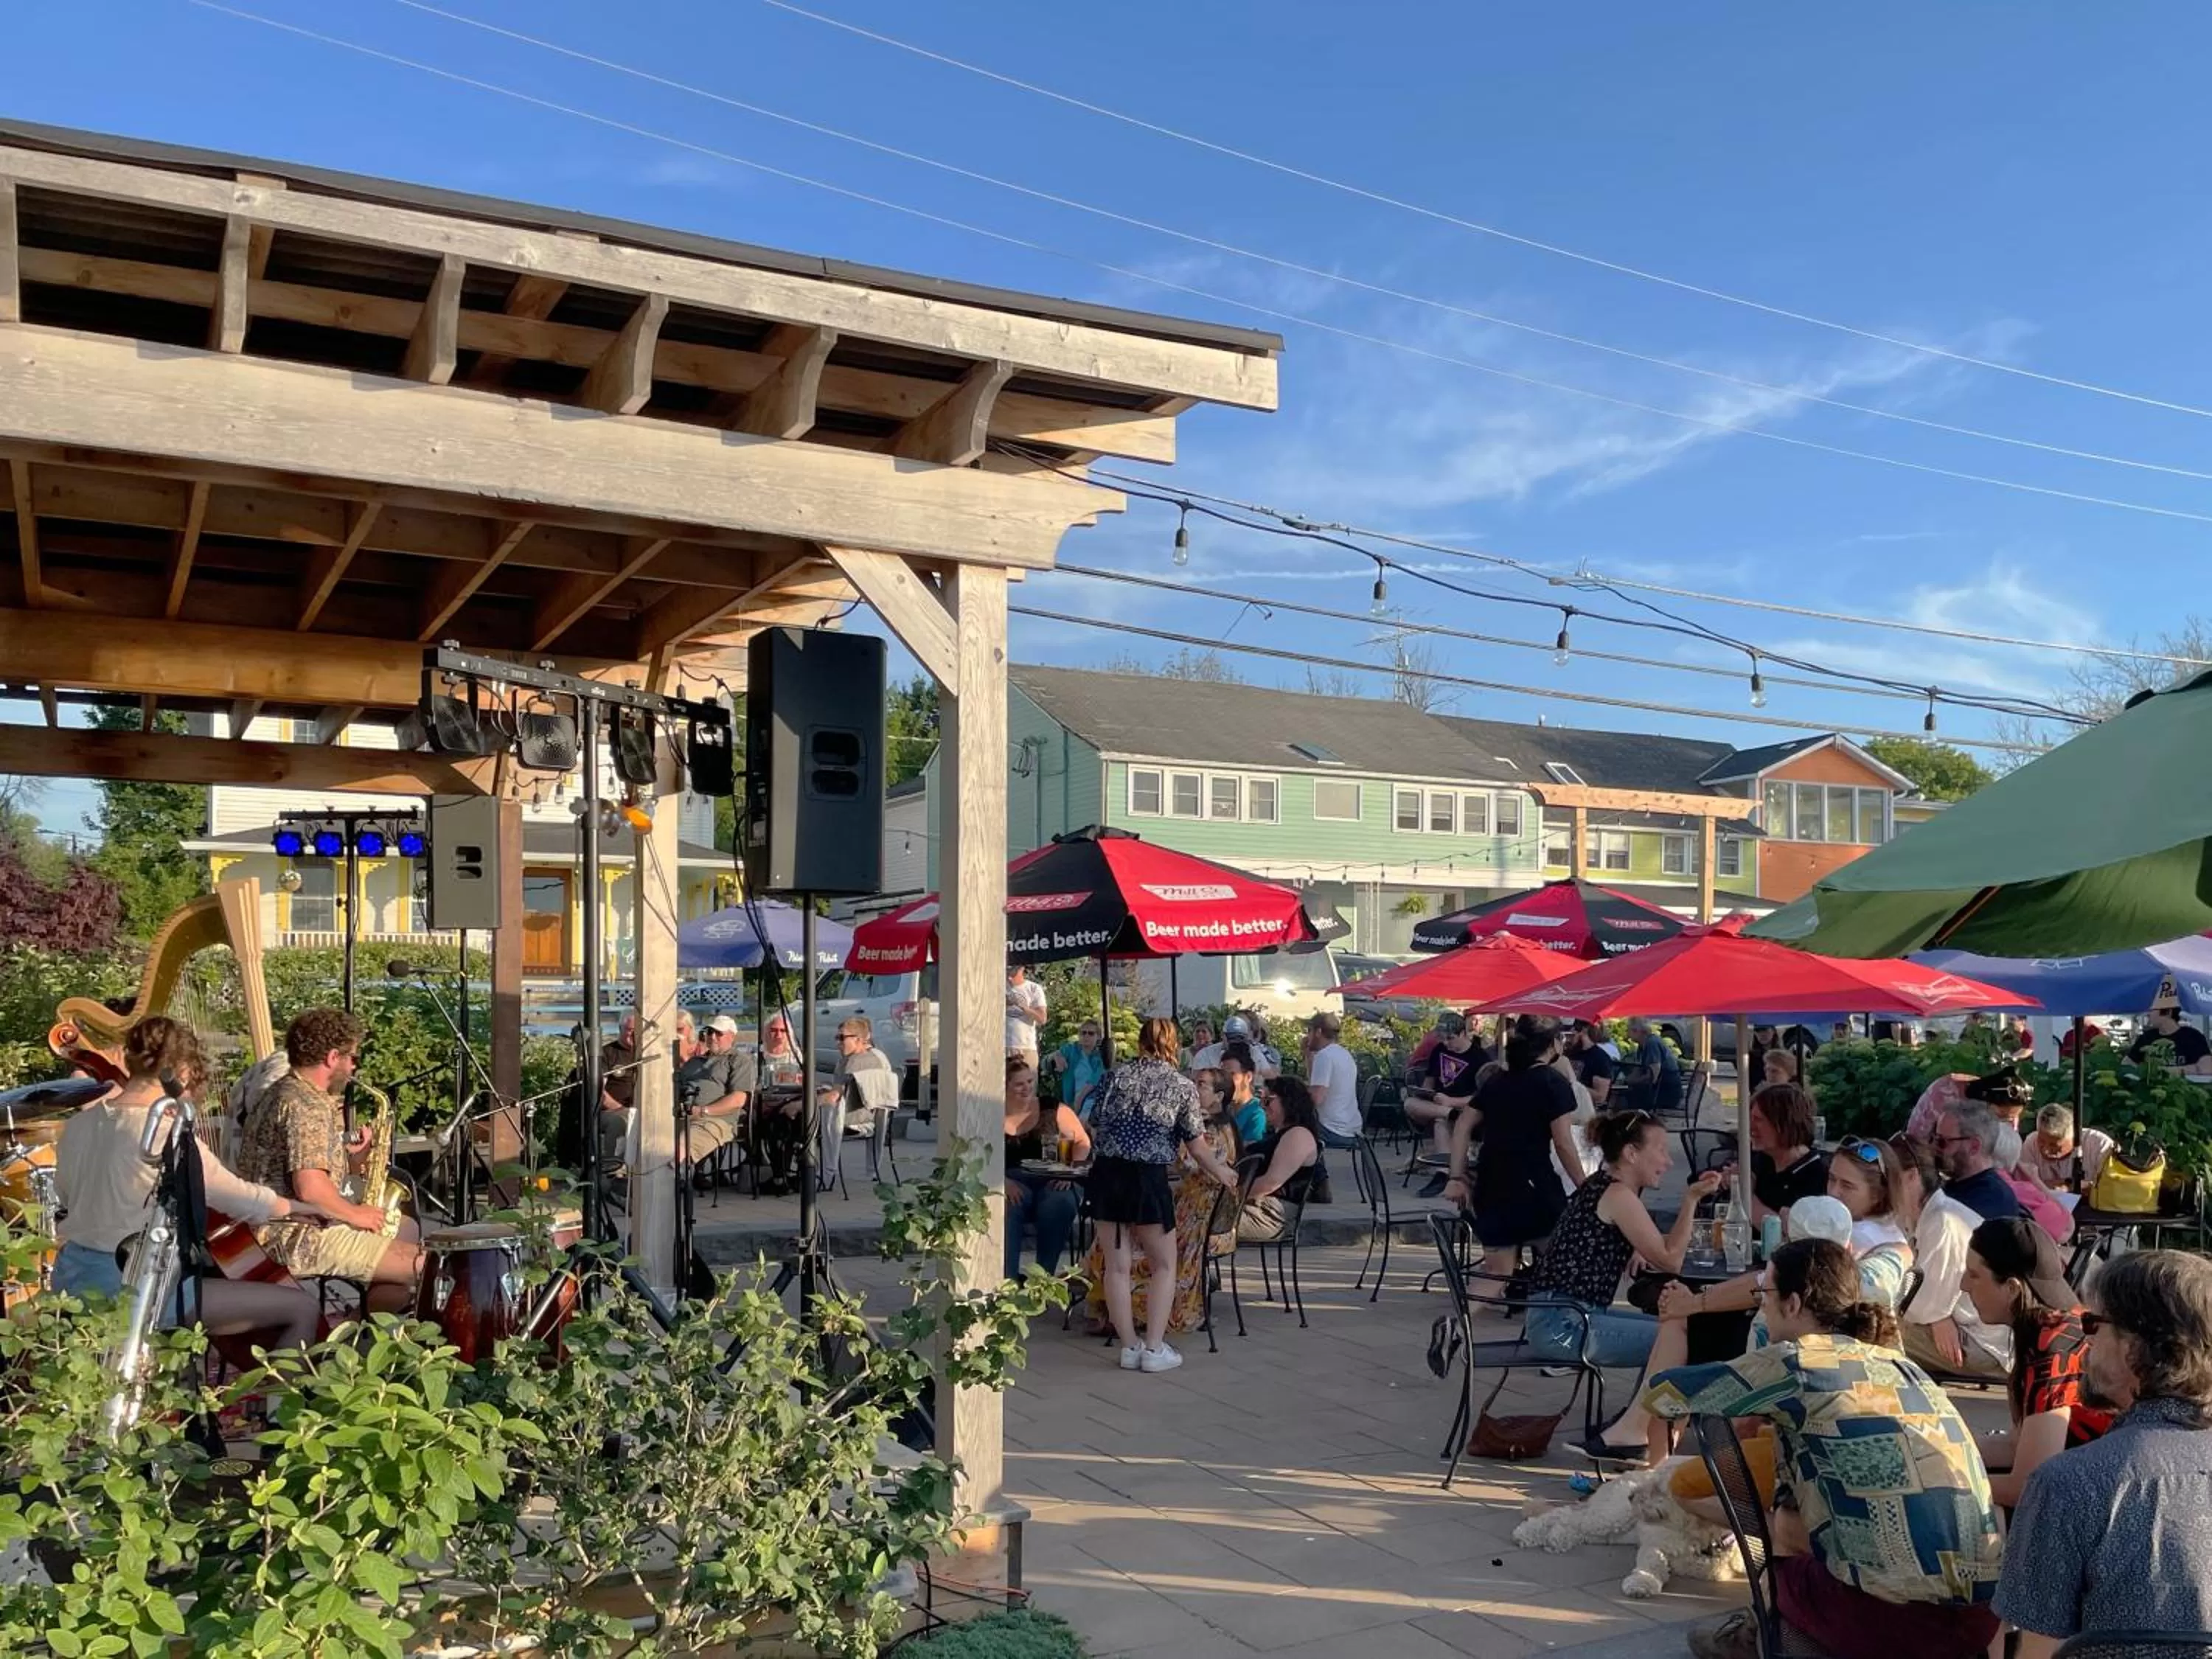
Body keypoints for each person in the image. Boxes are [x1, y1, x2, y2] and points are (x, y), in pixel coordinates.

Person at [1650, 1240, 2004, 1659]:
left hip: (1895, 1624)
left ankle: (1762, 1637)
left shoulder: (1796, 1363)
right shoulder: (1904, 1367)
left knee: (1785, 1529)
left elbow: (1664, 1397)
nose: (1761, 1307)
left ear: (1794, 1303)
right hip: (1979, 1620)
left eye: (1765, 1294)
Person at [52, 1015, 327, 1349]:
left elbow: (64, 1196)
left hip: (73, 1279)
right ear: (181, 1070)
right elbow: (233, 1195)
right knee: (302, 1308)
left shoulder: (79, 1125)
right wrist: (296, 1208)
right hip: (135, 1286)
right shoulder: (164, 1130)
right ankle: (279, 1401)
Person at [1997, 1251, 2212, 1652]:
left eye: (2093, 1323)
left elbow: (2039, 1652)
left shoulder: (2067, 1484)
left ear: (2137, 1346)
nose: (2085, 1339)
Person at [1520, 1110, 1725, 1453]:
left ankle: (1633, 1426)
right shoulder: (1619, 1196)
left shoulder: (1602, 1186)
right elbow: (1672, 1259)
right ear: (1631, 1154)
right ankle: (1635, 1432)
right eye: (1660, 1150)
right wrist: (1691, 1199)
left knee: (1669, 1326)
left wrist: (1635, 1244)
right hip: (1564, 1324)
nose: (1668, 1161)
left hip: (1555, 1314)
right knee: (1677, 1338)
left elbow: (1635, 1239)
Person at [235, 1007, 423, 1312]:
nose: (354, 1069)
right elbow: (310, 1188)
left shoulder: (288, 1092)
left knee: (405, 1235)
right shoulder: (305, 1105)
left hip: (288, 1225)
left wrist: (354, 1162)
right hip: (294, 1235)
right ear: (332, 1057)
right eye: (353, 1059)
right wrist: (355, 1214)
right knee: (425, 1266)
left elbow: (303, 1171)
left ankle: (357, 1334)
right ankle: (357, 1338)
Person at [1085, 1018, 1239, 1374]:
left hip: (1108, 1174)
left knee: (1116, 1265)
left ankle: (1129, 1347)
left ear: (1140, 1042)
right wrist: (1224, 1173)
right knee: (1164, 1264)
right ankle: (1154, 1347)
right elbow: (1198, 1148)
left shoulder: (1114, 1077)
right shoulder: (1181, 1086)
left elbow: (1095, 1123)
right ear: (1173, 1043)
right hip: (1148, 1177)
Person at [1961, 1217, 2111, 1509]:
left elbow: (2027, 1489)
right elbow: (2013, 1447)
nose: (1962, 1285)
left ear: (2013, 1288)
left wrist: (1938, 1483)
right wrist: (1942, 1451)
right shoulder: (2054, 1326)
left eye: (1974, 1275)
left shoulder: (2054, 1346)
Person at [1441, 1016, 1592, 1281]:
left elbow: (1463, 1125)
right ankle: (1548, 1310)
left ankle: (1459, 1322)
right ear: (1553, 1044)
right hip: (1534, 1184)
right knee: (1561, 1262)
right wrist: (1583, 1185)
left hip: (1491, 1183)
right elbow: (1563, 1143)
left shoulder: (1498, 1080)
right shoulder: (1552, 1083)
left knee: (1497, 1276)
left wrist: (1456, 1175)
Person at [1891, 1133, 2011, 1380]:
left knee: (1870, 1329)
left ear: (1912, 1176)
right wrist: (1938, 1316)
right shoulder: (1924, 1213)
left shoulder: (1943, 1221)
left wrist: (1937, 1315)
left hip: (1983, 1344)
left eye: (1886, 1179)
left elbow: (1917, 1308)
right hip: (1967, 1329)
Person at [1003, 1057, 1089, 1278]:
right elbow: (982, 1153)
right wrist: (1002, 1181)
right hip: (1013, 1179)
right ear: (1005, 1085)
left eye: (1030, 1082)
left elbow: (1082, 1142)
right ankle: (1007, 1281)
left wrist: (1069, 1172)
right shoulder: (994, 1113)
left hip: (1055, 1176)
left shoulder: (1051, 1107)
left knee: (1058, 1203)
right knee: (1006, 1207)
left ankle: (1043, 1280)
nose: (1027, 1088)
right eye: (1019, 1084)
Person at [1237, 1076, 1327, 1243]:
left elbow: (1270, 1183)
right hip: (1254, 1206)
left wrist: (1227, 1196)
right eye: (1262, 1101)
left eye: (1268, 1101)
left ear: (1288, 1101)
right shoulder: (1280, 1134)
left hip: (1269, 1215)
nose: (1263, 1106)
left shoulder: (1298, 1135)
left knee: (1196, 1218)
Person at [1408, 1012, 1485, 1197]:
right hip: (1441, 1105)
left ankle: (1442, 1174)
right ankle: (1448, 1113)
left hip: (1465, 1109)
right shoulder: (1439, 1051)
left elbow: (1481, 1097)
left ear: (1463, 1034)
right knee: (1410, 1103)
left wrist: (1452, 1102)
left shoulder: (1479, 1057)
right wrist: (1427, 1094)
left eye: (1450, 1038)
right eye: (1443, 1039)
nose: (1446, 1043)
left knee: (1440, 1122)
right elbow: (1429, 1083)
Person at [1739, 1082, 1829, 1225]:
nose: (1750, 1127)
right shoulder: (1762, 1160)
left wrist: (1744, 1193)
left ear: (1784, 1124)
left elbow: (1786, 1233)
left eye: (1759, 1120)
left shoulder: (1817, 1174)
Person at [829, 1015, 901, 1184]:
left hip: (856, 1115)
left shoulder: (860, 1060)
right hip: (873, 1115)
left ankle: (824, 1173)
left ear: (861, 1038)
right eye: (837, 1038)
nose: (838, 1042)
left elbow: (836, 1094)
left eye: (842, 1038)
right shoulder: (858, 1057)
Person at [679, 1013, 756, 1169]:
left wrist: (702, 1111)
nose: (712, 1037)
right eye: (709, 1032)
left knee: (680, 1145)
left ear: (732, 1036)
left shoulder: (739, 1061)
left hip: (715, 1119)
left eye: (718, 1033)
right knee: (645, 1136)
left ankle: (669, 1183)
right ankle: (626, 1178)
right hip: (681, 1116)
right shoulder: (693, 1062)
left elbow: (739, 1099)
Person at [1933, 1096, 2024, 1222]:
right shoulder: (1957, 1184)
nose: (1935, 1148)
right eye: (1935, 1139)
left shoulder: (1991, 1201)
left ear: (1974, 1146)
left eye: (1943, 1142)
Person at [1989, 1123, 2073, 1243]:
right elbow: (2067, 1229)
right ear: (2015, 1158)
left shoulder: (1961, 1185)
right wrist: (2035, 1181)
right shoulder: (2022, 1192)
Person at [1301, 1012, 1362, 1150]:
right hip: (1352, 1130)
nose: (1306, 1036)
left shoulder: (1324, 1056)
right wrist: (1309, 1057)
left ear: (1319, 1032)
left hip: (1333, 1131)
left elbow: (1316, 1099)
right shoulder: (1343, 1054)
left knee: (1287, 1129)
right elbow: (1317, 1085)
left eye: (1309, 1031)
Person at [2022, 1103, 2112, 1192]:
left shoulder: (2099, 1145)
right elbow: (2023, 1184)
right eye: (2041, 1141)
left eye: (2054, 1146)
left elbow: (2113, 1187)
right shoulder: (2031, 1143)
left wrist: (2073, 1187)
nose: (2046, 1150)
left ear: (2074, 1136)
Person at [1047, 1018, 1108, 1118]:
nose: (1086, 1036)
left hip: (1092, 1098)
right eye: (1083, 1033)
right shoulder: (1072, 1050)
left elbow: (1092, 1083)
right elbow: (1048, 1060)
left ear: (1098, 1037)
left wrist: (1078, 1103)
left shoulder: (1100, 1057)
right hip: (1071, 1100)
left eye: (1091, 1033)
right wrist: (1057, 1057)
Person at [2128, 1001, 2212, 1071]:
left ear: (2168, 1012)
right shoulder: (2146, 1037)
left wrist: (2163, 1071)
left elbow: (2207, 1069)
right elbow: (2127, 1064)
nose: (2148, 1014)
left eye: (2152, 1010)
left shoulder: (2193, 1037)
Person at [1624, 1017, 1682, 1117]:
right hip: (1659, 1090)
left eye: (1628, 1030)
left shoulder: (1652, 1043)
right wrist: (1626, 1081)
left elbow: (1653, 1076)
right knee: (1625, 1093)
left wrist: (1633, 1082)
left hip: (1666, 1093)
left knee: (1626, 1099)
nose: (1627, 1034)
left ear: (1636, 1031)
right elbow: (1638, 1070)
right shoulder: (1642, 1045)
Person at [1215, 1054, 1266, 1150]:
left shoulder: (1257, 1113)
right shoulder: (1221, 1107)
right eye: (1222, 1075)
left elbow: (1250, 1154)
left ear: (1248, 1077)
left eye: (1232, 1074)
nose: (1225, 1080)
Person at [1004, 964, 1046, 1065]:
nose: (1010, 968)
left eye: (1015, 966)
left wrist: (1023, 1006)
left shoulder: (1034, 988)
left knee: (1028, 1080)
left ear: (1022, 968)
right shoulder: (997, 987)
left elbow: (1042, 1019)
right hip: (1001, 1046)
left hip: (1026, 1048)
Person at [1567, 1019, 1615, 1106]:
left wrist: (1572, 1085)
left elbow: (1600, 1097)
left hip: (1586, 1110)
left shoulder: (1600, 1058)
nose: (1568, 1037)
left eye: (1573, 1031)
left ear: (1583, 1030)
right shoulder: (1568, 1053)